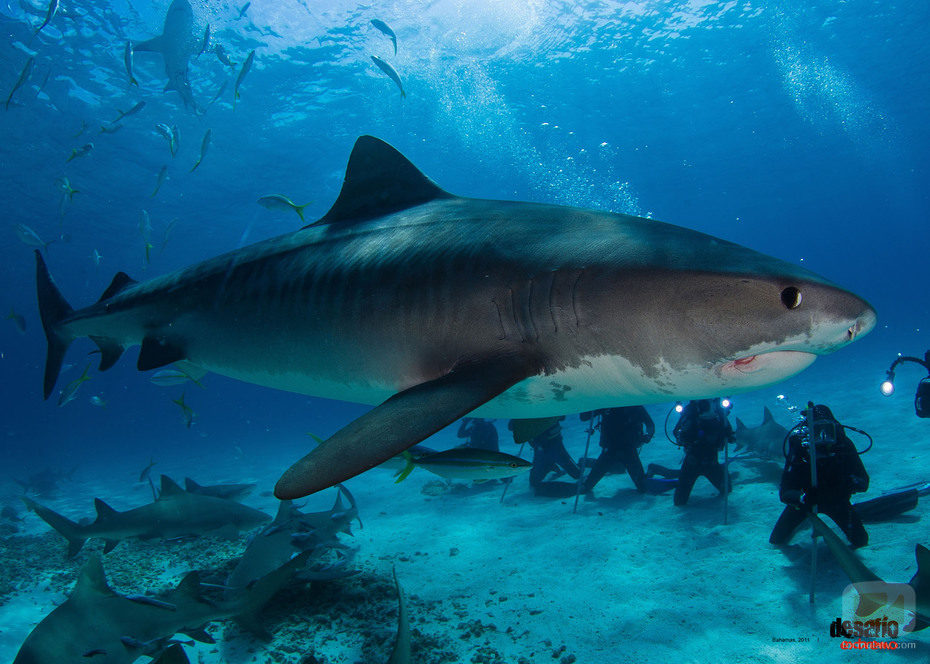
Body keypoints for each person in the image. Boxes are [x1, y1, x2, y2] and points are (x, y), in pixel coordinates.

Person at [769, 404, 870, 548]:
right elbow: (785, 491)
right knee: (776, 540)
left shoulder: (843, 445)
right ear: (809, 430)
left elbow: (863, 482)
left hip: (837, 501)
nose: (823, 436)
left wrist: (845, 485)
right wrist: (802, 498)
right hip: (806, 502)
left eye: (828, 429)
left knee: (861, 541)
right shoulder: (801, 448)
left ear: (835, 427)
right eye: (817, 430)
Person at [649, 399, 734, 506]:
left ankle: (722, 470)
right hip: (692, 463)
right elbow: (677, 433)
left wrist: (725, 434)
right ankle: (673, 477)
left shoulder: (718, 411)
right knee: (679, 502)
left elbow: (730, 436)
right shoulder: (691, 411)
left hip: (711, 463)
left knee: (727, 490)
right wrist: (688, 436)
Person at [579, 406, 655, 493]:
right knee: (587, 487)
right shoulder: (607, 404)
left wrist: (648, 436)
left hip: (628, 449)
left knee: (643, 487)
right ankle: (588, 462)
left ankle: (652, 469)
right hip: (610, 449)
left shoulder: (633, 405)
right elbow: (584, 417)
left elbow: (649, 423)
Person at [509, 417, 581, 498]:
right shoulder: (525, 412)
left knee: (577, 474)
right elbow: (511, 426)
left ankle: (553, 465)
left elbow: (562, 416)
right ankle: (550, 466)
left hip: (553, 444)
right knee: (533, 483)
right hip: (539, 447)